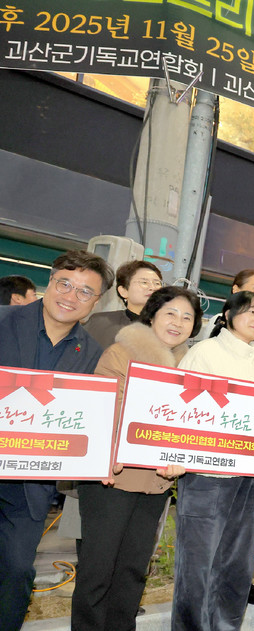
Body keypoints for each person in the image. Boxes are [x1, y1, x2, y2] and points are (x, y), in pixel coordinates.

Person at [71, 287, 202, 631]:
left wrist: (180, 458)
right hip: (111, 478)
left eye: (187, 317)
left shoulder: (190, 370)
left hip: (156, 484)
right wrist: (110, 453)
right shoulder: (121, 352)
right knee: (97, 570)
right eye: (170, 313)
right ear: (152, 315)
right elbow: (103, 411)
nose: (178, 323)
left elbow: (191, 425)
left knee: (132, 570)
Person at [0, 249, 113, 631]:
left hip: (29, 485)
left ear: (96, 302)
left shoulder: (91, 354)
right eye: (65, 283)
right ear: (50, 282)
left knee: (15, 573)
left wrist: (102, 455)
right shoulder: (2, 321)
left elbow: (86, 420)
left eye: (85, 291)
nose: (70, 296)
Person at [172, 291, 254, 631]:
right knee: (198, 565)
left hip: (250, 473)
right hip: (207, 473)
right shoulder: (204, 352)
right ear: (227, 314)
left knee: (236, 565)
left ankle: (226, 625)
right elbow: (182, 406)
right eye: (251, 312)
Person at [84, 260, 163, 349]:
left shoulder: (168, 328)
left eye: (157, 283)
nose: (152, 288)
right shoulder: (100, 323)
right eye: (144, 282)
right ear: (123, 291)